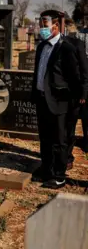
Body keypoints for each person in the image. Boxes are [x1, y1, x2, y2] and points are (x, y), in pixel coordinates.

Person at [31, 10, 88, 189]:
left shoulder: (67, 47)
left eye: (45, 25)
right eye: (40, 25)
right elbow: (39, 72)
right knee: (45, 137)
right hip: (42, 98)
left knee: (60, 139)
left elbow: (77, 76)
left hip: (61, 101)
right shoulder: (41, 46)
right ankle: (46, 169)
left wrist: (80, 97)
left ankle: (59, 175)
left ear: (56, 26)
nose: (42, 29)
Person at [64, 19, 88, 165]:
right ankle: (67, 157)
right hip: (79, 83)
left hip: (84, 83)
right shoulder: (80, 37)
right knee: (70, 123)